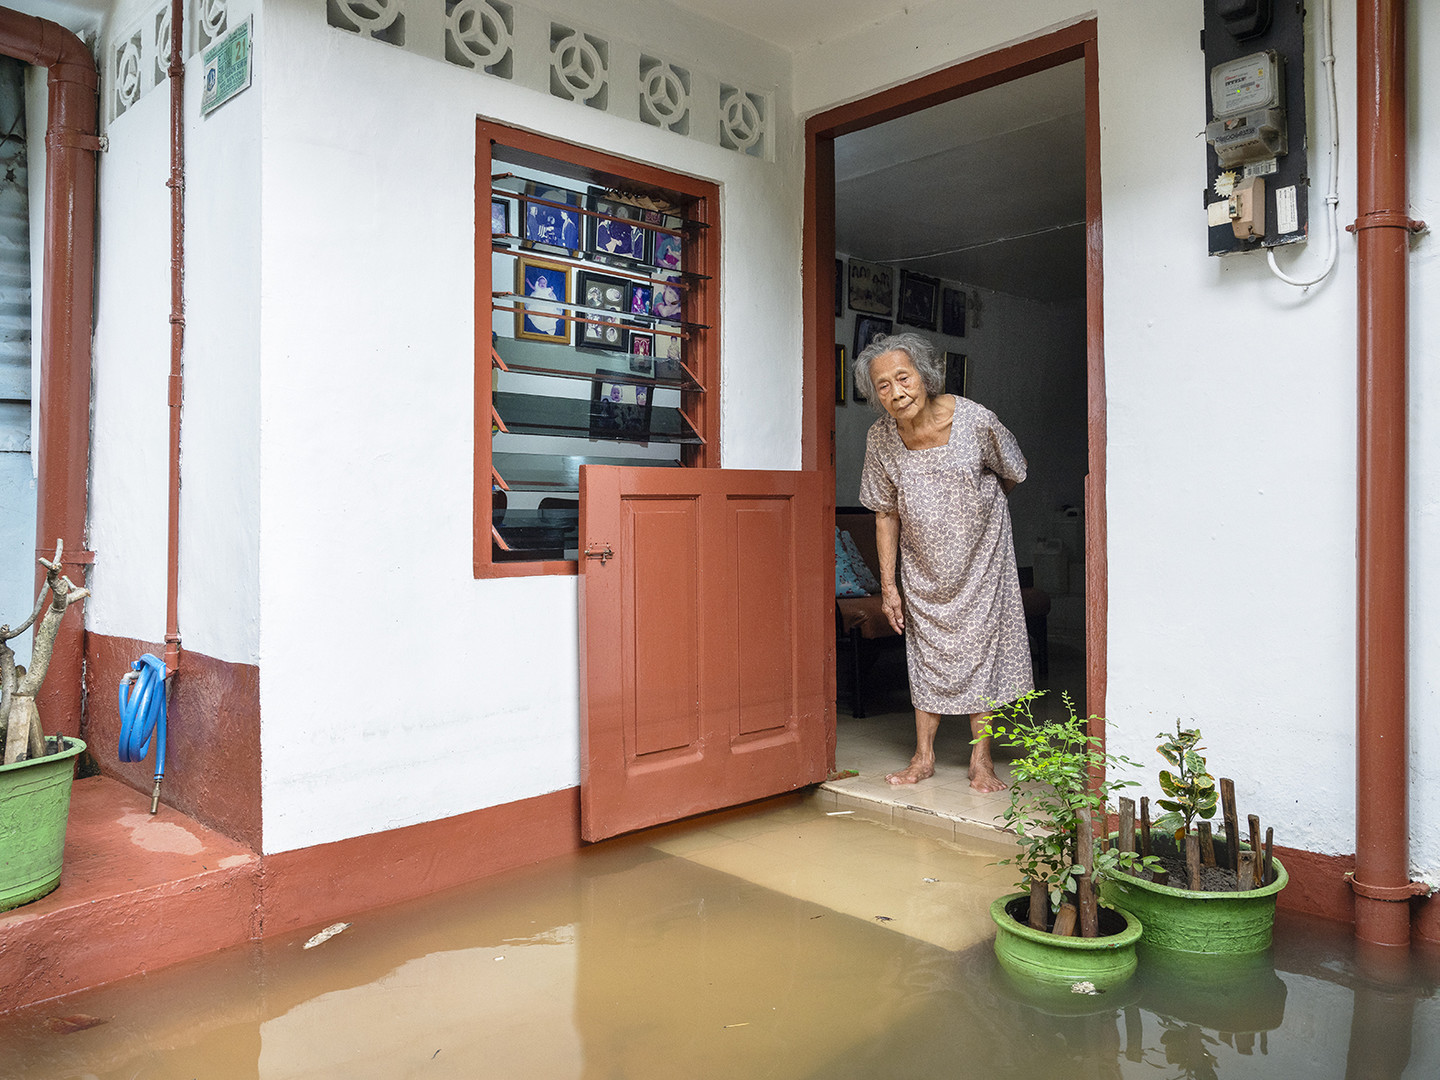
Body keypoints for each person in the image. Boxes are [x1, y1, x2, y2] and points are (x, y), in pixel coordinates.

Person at [854, 332, 1032, 791]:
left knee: (982, 652)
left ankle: (982, 761)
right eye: (883, 386)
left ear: (925, 376)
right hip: (922, 567)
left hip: (981, 559)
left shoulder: (975, 420)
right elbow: (884, 512)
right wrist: (889, 587)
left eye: (903, 378)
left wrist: (976, 515)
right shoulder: (881, 438)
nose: (896, 393)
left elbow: (1012, 471)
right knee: (925, 652)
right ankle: (923, 757)